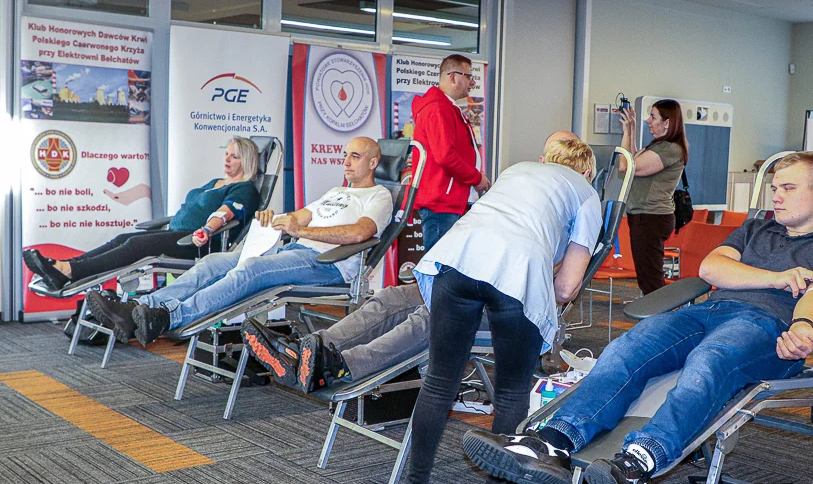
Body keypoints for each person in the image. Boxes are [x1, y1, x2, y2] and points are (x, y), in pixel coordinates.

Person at [461, 152, 813, 484]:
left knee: (709, 361)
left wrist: (802, 325)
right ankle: (552, 442)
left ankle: (637, 463)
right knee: (628, 348)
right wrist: (778, 277)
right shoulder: (754, 229)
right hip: (707, 311)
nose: (776, 196)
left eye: (787, 188)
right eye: (774, 187)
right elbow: (712, 268)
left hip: (766, 327)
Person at [240, 132, 589, 398]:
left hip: (513, 305)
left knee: (433, 316)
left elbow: (563, 290)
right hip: (473, 280)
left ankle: (340, 366)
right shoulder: (521, 193)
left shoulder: (578, 205)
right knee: (392, 298)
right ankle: (308, 350)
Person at [394, 137, 602, 484]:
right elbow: (566, 288)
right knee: (510, 393)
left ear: (545, 160)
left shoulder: (516, 169)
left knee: (438, 384)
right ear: (587, 171)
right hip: (517, 271)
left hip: (455, 257)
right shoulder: (587, 193)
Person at [87, 137, 393, 347]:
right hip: (294, 251)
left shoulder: (379, 196)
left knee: (252, 269)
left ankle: (168, 317)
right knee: (212, 263)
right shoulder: (335, 192)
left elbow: (360, 233)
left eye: (355, 156)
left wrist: (302, 231)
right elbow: (297, 217)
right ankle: (141, 307)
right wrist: (277, 218)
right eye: (345, 155)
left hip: (327, 264)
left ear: (373, 162)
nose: (346, 162)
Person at [23, 136, 261, 291]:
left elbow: (225, 213)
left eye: (235, 156)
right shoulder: (216, 182)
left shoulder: (244, 188)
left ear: (247, 161)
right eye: (226, 153)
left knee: (136, 246)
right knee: (122, 239)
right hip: (176, 233)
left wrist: (207, 229)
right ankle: (66, 266)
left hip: (196, 242)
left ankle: (69, 271)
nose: (227, 159)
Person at [412, 53, 491, 251]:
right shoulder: (438, 108)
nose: (472, 83)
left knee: (445, 261)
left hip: (447, 199)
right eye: (468, 76)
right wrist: (476, 178)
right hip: (442, 203)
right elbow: (445, 157)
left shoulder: (445, 107)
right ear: (453, 77)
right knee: (441, 263)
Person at [616, 99, 689, 295]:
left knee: (650, 280)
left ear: (667, 122)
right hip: (644, 216)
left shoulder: (669, 149)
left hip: (651, 217)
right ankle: (655, 310)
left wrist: (626, 133)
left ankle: (658, 312)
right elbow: (632, 158)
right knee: (647, 276)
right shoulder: (659, 146)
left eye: (653, 117)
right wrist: (630, 128)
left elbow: (625, 166)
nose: (648, 120)